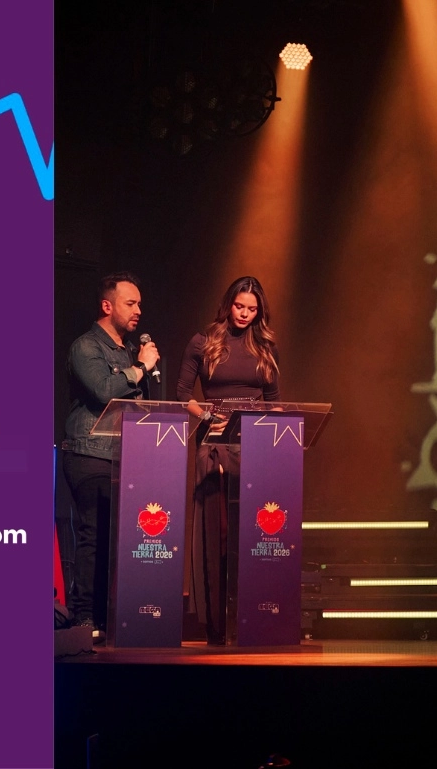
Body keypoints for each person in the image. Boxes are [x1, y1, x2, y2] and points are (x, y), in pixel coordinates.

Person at [176, 276, 281, 645]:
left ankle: (252, 619)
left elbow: (274, 401)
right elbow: (182, 393)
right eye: (240, 306)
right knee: (216, 532)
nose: (245, 314)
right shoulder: (203, 342)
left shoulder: (266, 346)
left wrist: (276, 432)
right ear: (228, 304)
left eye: (252, 309)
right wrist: (208, 416)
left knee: (252, 533)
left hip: (253, 444)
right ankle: (215, 625)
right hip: (215, 440)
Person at [62, 272, 161, 633]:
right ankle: (84, 615)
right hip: (90, 453)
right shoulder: (86, 346)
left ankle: (112, 617)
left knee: (121, 538)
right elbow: (104, 390)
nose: (138, 311)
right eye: (130, 303)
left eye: (140, 304)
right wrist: (141, 368)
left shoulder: (131, 352)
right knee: (96, 532)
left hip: (127, 457)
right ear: (107, 306)